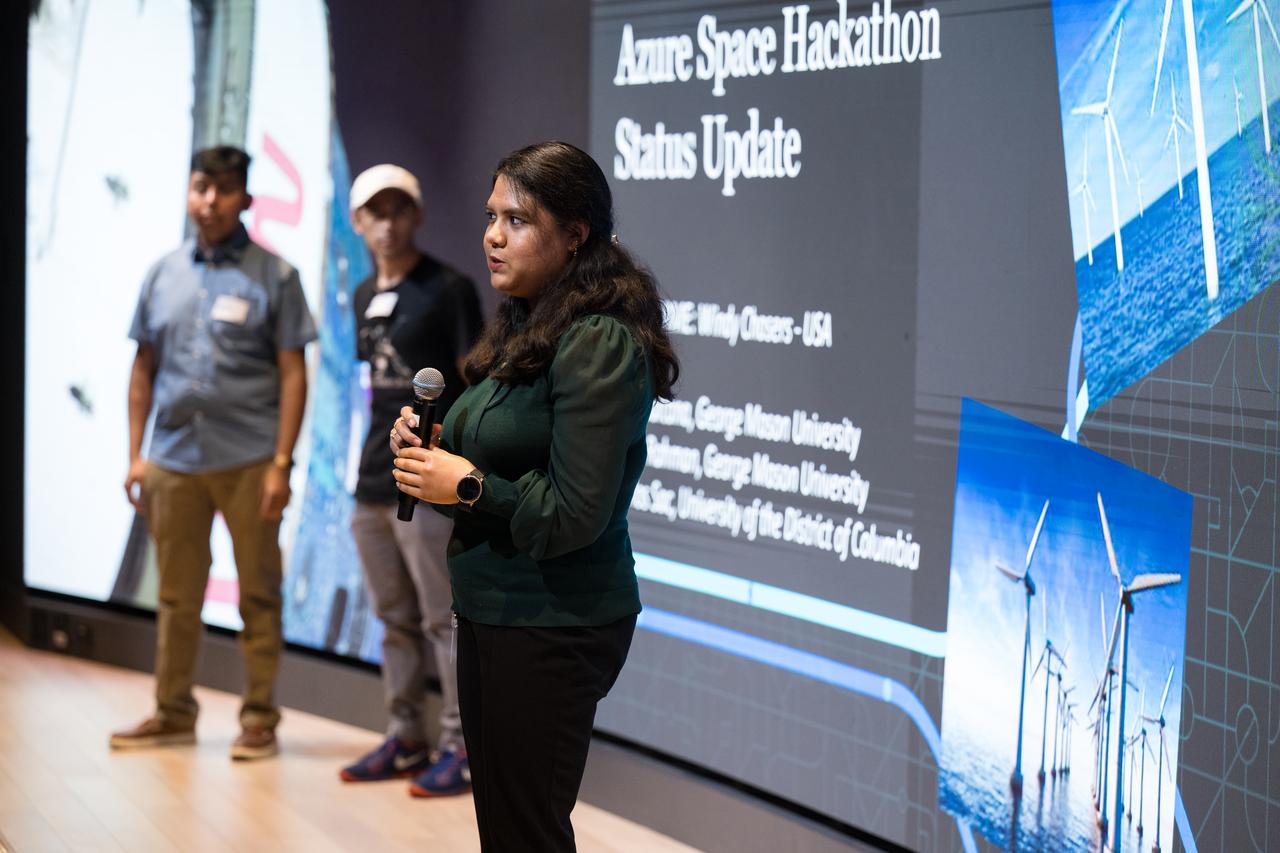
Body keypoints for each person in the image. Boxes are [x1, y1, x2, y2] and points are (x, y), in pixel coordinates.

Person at [389, 141, 679, 851]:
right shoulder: (526, 321)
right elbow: (486, 443)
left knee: (526, 832)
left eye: (516, 219)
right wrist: (428, 446)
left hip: (556, 620)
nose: (492, 235)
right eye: (491, 216)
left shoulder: (598, 340)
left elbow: (577, 513)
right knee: (506, 828)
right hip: (495, 608)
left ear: (575, 234)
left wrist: (465, 483)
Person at [111, 145, 316, 760]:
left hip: (251, 460)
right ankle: (173, 712)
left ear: (245, 199)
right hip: (172, 459)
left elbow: (292, 374)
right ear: (189, 190)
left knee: (258, 594)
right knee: (175, 597)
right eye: (201, 186)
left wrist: (282, 463)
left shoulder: (276, 276)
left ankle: (259, 720)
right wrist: (135, 454)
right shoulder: (162, 273)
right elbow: (143, 367)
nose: (210, 201)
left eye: (224, 190)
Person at [338, 164, 483, 795]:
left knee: (440, 617)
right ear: (358, 223)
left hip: (426, 480)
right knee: (391, 616)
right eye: (376, 213)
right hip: (372, 476)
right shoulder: (364, 292)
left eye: (399, 210)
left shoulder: (448, 288)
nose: (388, 224)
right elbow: (368, 388)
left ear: (417, 216)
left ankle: (461, 743)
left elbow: (474, 382)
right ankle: (406, 737)